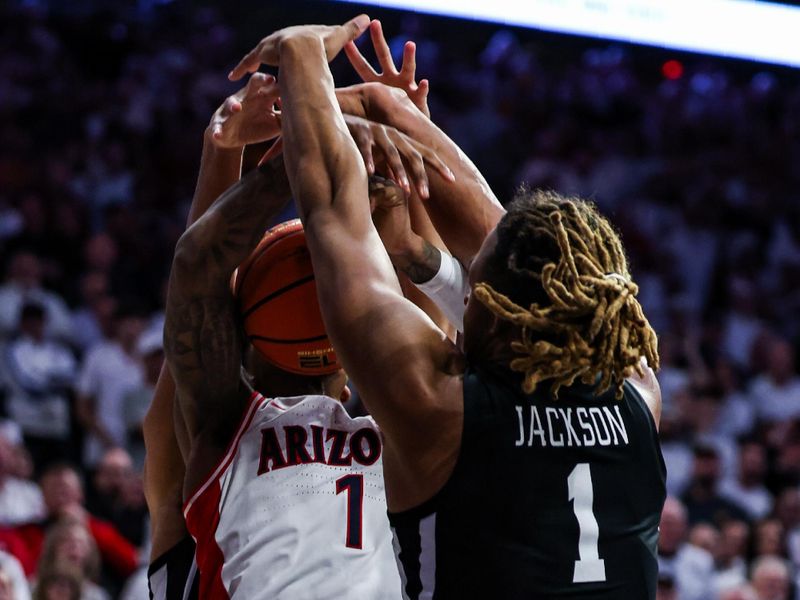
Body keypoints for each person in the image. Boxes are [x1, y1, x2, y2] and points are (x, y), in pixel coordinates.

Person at [232, 15, 665, 598]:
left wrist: (304, 56)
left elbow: (334, 206)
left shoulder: (440, 410)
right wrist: (388, 112)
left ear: (499, 313)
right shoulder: (638, 393)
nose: (466, 293)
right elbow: (530, 254)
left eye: (474, 289)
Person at [162, 63, 450, 597]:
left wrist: (401, 133)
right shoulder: (226, 426)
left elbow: (430, 326)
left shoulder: (406, 427)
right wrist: (308, 148)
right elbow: (197, 266)